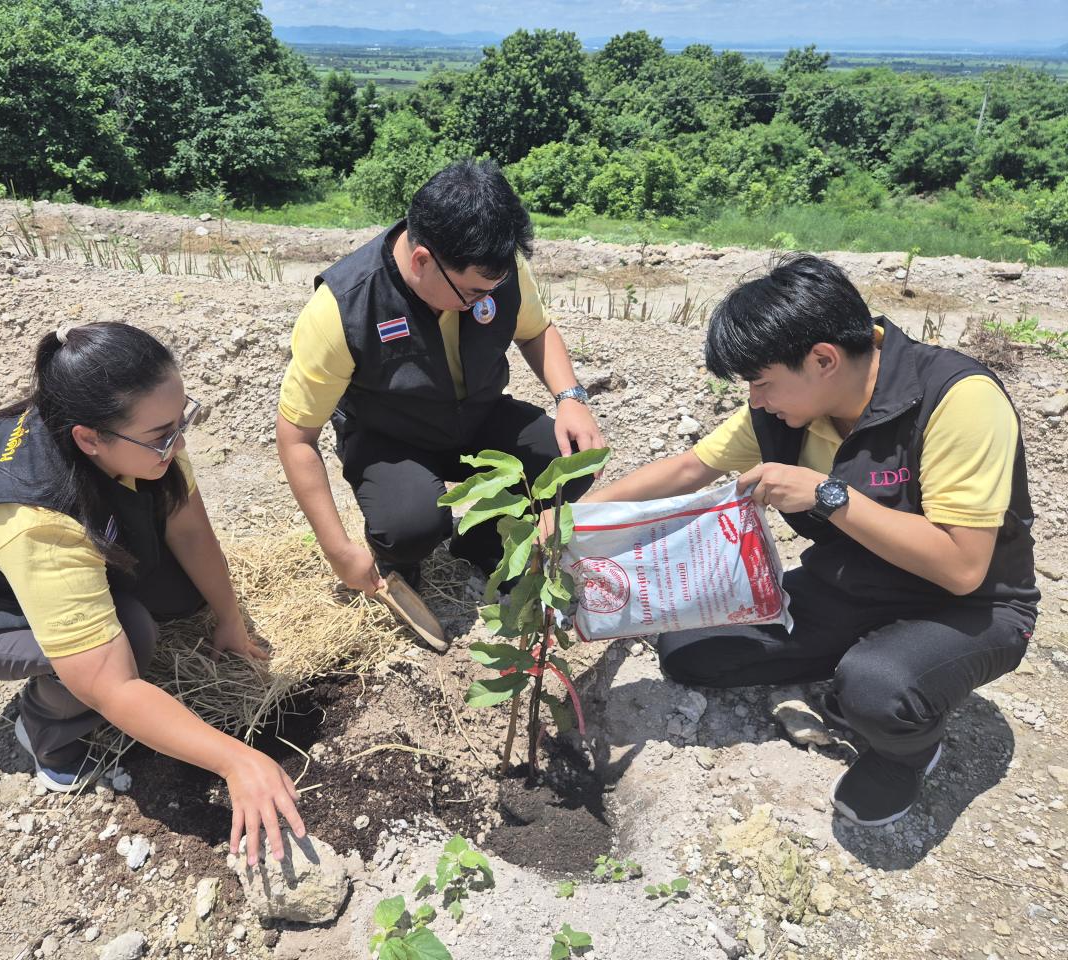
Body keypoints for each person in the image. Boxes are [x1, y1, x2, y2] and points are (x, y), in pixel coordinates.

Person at [577, 254, 1038, 827]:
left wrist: (829, 495)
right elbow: (689, 469)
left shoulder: (955, 398)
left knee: (876, 688)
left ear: (823, 359)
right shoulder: (785, 410)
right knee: (689, 652)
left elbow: (963, 566)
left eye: (763, 382)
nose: (757, 399)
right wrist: (571, 523)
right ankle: (855, 659)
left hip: (968, 605)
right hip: (852, 587)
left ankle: (908, 750)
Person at [0, 322, 303, 866]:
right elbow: (111, 685)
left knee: (180, 594)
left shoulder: (137, 429)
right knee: (132, 634)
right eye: (163, 435)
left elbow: (189, 529)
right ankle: (48, 735)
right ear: (89, 439)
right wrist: (236, 762)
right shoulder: (33, 515)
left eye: (183, 422)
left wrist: (229, 616)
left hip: (40, 557)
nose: (177, 443)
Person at [276, 159, 606, 602]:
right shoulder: (345, 307)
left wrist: (572, 399)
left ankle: (482, 545)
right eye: (472, 294)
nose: (484, 302)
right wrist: (338, 550)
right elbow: (296, 437)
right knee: (411, 525)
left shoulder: (491, 271)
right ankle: (402, 560)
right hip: (390, 437)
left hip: (477, 416)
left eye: (492, 289)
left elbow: (536, 331)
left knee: (572, 458)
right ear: (422, 261)